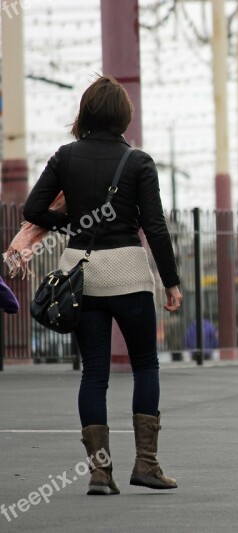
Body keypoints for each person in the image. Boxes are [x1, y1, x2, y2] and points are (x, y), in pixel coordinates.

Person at [22, 76, 182, 495]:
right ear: (123, 116)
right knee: (145, 365)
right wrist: (171, 282)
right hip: (128, 272)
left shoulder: (65, 157)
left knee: (94, 373)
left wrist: (72, 223)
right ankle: (146, 464)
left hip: (82, 274)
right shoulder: (138, 162)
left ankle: (99, 472)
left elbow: (33, 208)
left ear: (86, 114)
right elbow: (155, 228)